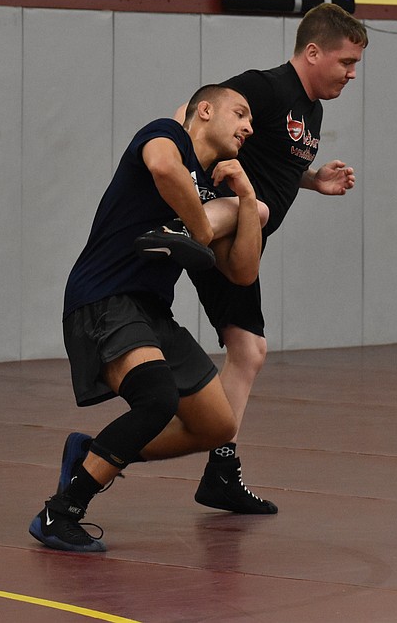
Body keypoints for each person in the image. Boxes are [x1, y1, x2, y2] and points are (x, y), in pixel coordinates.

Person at [30, 84, 264, 552]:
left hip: (152, 310)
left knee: (216, 425)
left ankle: (92, 456)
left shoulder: (213, 188)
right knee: (156, 399)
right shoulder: (165, 134)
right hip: (104, 298)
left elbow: (242, 272)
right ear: (204, 110)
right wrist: (199, 229)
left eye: (251, 123)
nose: (248, 127)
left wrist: (247, 198)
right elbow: (161, 167)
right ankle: (62, 511)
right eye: (240, 114)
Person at [165, 3, 368, 514]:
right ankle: (173, 227)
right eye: (345, 62)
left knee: (249, 350)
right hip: (218, 224)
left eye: (355, 64)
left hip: (243, 240)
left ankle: (221, 469)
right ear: (313, 51)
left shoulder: (312, 110)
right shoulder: (268, 87)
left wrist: (312, 179)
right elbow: (193, 114)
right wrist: (183, 184)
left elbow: (272, 158)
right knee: (246, 208)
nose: (351, 74)